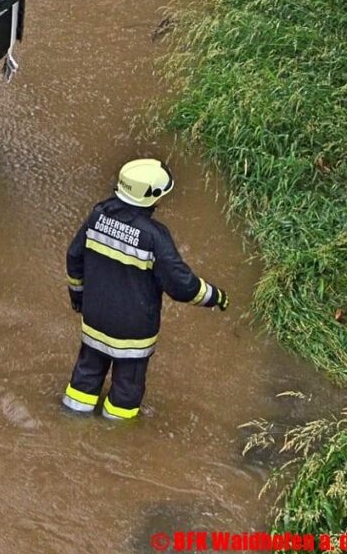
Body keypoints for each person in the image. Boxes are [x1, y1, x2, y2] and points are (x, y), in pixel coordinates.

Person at [62, 159, 229, 421]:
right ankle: (114, 437)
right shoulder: (154, 236)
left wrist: (79, 298)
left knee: (86, 375)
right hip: (134, 330)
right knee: (127, 388)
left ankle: (71, 422)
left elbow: (74, 257)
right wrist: (214, 296)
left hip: (95, 318)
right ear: (151, 197)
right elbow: (181, 285)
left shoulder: (97, 216)